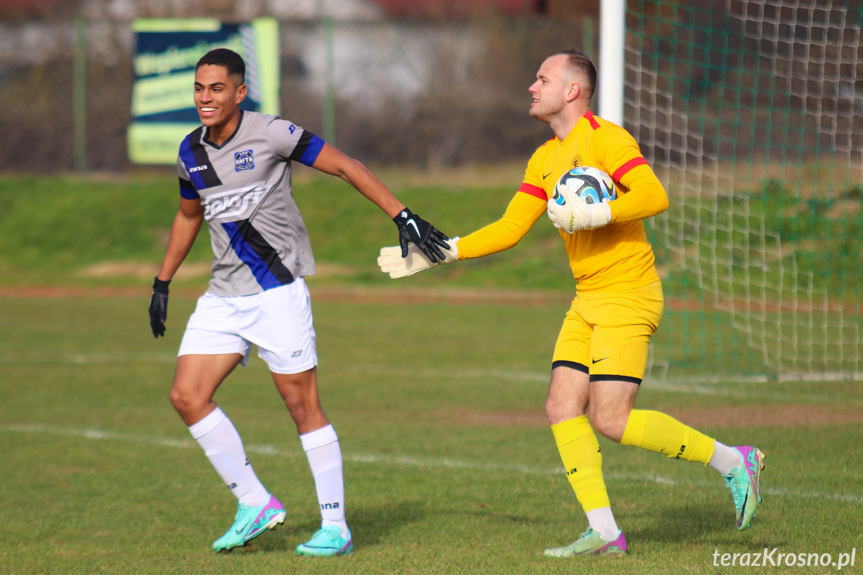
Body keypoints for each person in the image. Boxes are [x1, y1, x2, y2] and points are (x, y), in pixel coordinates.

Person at [377, 49, 765, 558]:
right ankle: (605, 533)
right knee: (561, 405)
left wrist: (597, 214)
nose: (532, 88)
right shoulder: (543, 158)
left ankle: (734, 463)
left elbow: (654, 195)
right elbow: (511, 228)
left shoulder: (607, 139)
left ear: (572, 91)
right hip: (588, 299)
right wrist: (443, 252)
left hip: (629, 295)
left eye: (542, 79)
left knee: (611, 420)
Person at [148, 48, 449, 557]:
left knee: (301, 404)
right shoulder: (189, 150)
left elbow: (346, 166)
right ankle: (254, 504)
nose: (205, 98)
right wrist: (162, 281)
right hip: (223, 295)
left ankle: (336, 527)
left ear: (239, 92)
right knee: (186, 396)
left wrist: (403, 216)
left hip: (277, 293)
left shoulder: (272, 133)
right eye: (199, 88)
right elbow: (187, 216)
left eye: (216, 88)